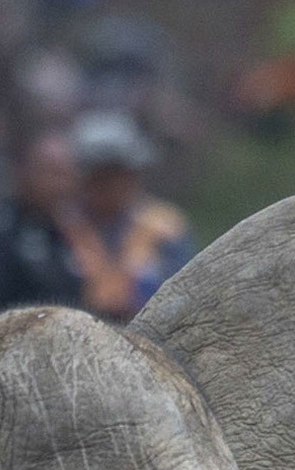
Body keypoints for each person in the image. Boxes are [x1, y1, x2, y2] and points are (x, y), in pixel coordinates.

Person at [56, 110, 195, 320]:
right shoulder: (59, 223)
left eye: (117, 172)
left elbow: (187, 294)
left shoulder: (164, 224)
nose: (108, 183)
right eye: (98, 174)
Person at [0, 131, 86, 321]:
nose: (61, 185)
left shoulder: (74, 232)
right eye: (52, 173)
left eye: (67, 174)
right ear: (24, 173)